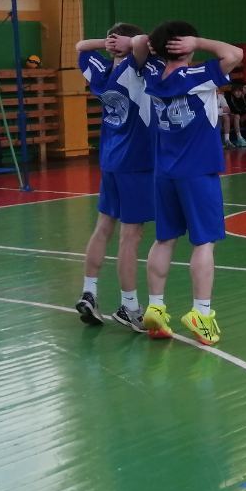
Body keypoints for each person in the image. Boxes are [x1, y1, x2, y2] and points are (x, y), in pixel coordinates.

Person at [131, 22, 244, 347]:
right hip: (197, 172)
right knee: (204, 243)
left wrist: (155, 43)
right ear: (185, 45)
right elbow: (235, 54)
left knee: (164, 239)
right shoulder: (197, 76)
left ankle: (155, 307)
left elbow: (137, 42)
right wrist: (199, 40)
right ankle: (201, 313)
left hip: (164, 172)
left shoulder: (153, 74)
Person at [74, 24, 153, 330]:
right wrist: (127, 43)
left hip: (109, 160)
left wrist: (107, 43)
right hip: (135, 162)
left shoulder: (101, 72)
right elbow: (144, 42)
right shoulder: (134, 69)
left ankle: (89, 292)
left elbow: (80, 46)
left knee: (103, 228)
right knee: (131, 236)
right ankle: (129, 306)